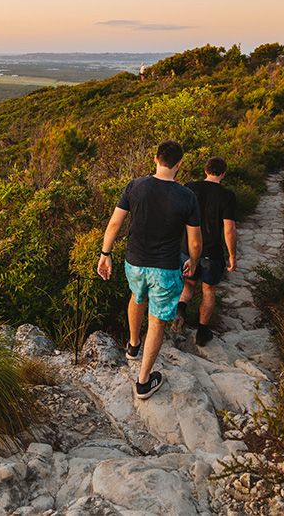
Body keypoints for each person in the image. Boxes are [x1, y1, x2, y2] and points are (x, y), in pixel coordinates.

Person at [98, 140, 202, 399]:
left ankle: (133, 346)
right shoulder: (187, 196)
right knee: (156, 321)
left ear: (155, 158)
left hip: (134, 262)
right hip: (165, 268)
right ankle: (143, 382)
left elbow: (114, 224)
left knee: (136, 297)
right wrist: (194, 261)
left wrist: (105, 254)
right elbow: (196, 242)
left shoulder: (135, 186)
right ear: (179, 164)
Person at [176, 156, 238, 346]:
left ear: (205, 170)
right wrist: (232, 256)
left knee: (188, 285)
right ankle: (202, 334)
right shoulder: (227, 195)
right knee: (208, 291)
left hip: (187, 249)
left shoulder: (189, 187)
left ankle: (180, 313)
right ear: (223, 174)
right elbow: (229, 230)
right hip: (212, 253)